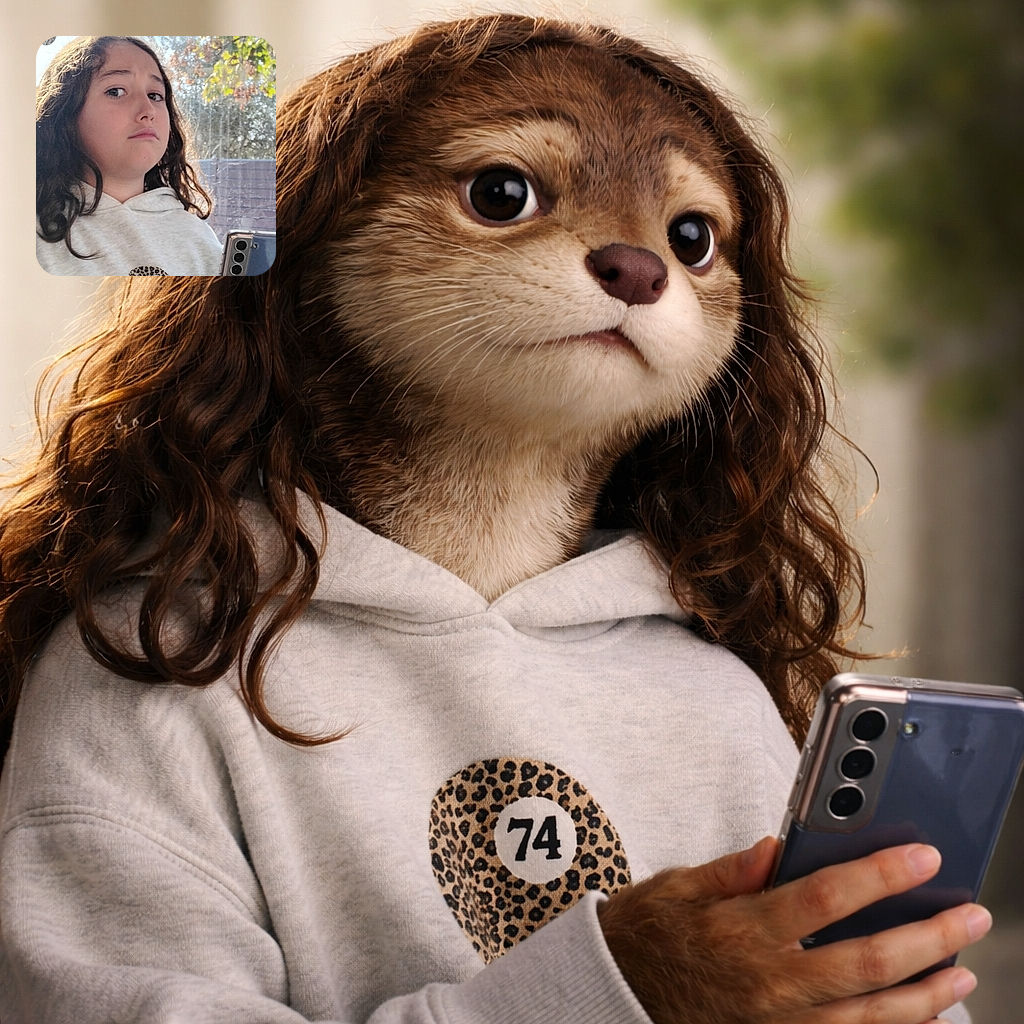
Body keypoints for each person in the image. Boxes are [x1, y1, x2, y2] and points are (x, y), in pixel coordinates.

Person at [2, 15, 987, 1023]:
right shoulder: (153, 660)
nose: (638, 264)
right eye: (503, 193)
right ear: (301, 238)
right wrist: (627, 994)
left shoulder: (725, 696)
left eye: (690, 236)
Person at [35, 35, 223, 276]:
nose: (148, 110)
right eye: (116, 91)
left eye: (155, 95)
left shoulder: (200, 239)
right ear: (65, 114)